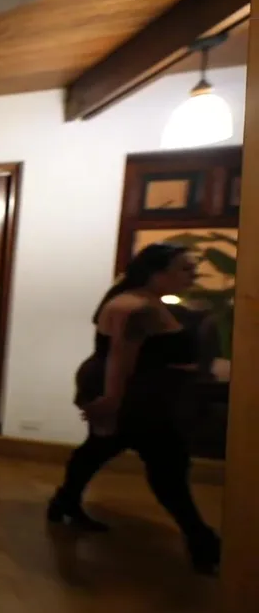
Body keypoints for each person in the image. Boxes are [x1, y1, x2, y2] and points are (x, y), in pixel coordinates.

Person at [49, 242, 221, 574]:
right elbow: (120, 359)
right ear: (156, 272)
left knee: (102, 448)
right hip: (136, 394)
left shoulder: (149, 301)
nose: (193, 275)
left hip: (143, 392)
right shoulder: (135, 308)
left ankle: (64, 502)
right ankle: (202, 541)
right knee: (167, 464)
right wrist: (111, 401)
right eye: (185, 268)